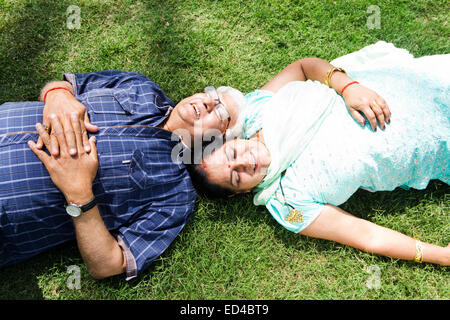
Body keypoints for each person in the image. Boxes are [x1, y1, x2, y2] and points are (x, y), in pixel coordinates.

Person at [189, 42, 450, 266]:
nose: (245, 162)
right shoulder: (287, 202)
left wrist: (349, 87)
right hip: (437, 145)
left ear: (228, 141)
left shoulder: (258, 111)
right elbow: (364, 234)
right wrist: (440, 255)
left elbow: (303, 68)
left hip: (424, 83)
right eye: (237, 177)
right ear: (241, 192)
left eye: (232, 154)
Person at [0, 70, 246, 280]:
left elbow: (109, 264)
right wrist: (57, 95)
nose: (207, 102)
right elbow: (67, 84)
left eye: (221, 112)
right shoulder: (140, 85)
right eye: (212, 94)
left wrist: (78, 192)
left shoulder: (176, 195)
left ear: (218, 143)